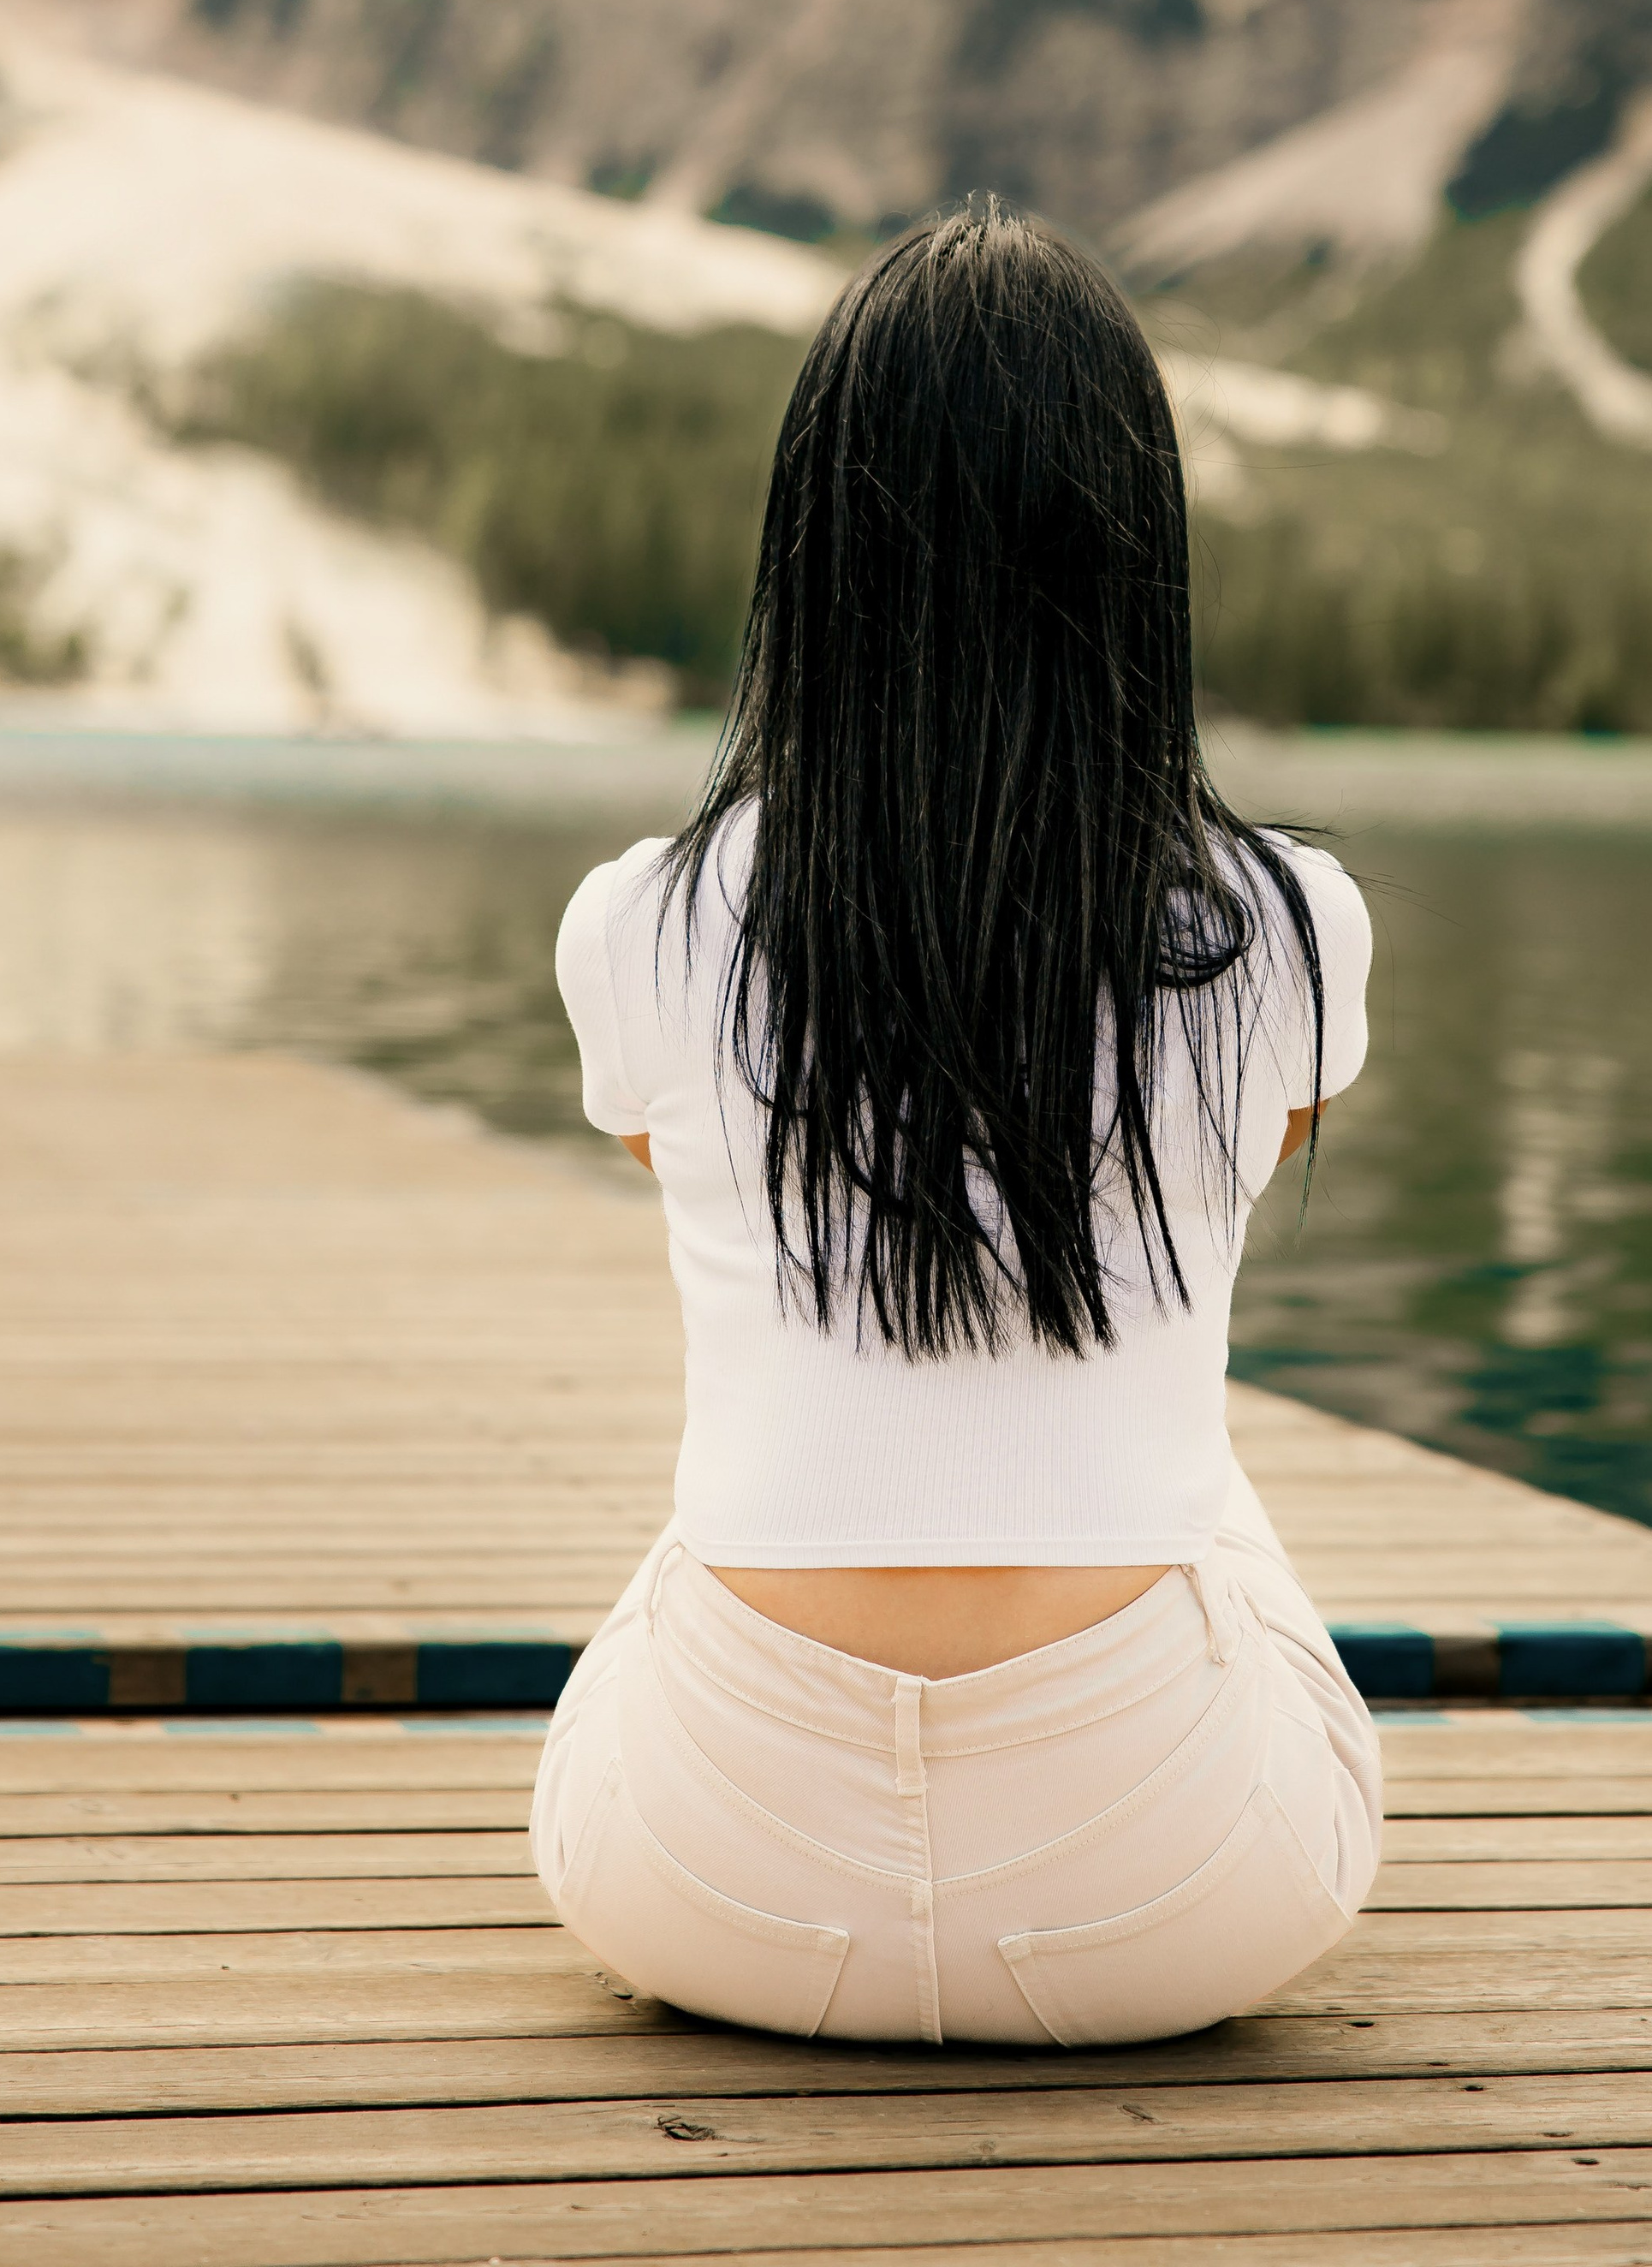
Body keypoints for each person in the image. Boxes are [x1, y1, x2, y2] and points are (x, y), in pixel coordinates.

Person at [532, 205, 1378, 2048]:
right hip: (1173, 1906)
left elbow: (671, 1167)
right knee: (1205, 1476)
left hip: (714, 1895)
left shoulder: (644, 921)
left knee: (699, 1526)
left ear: (814, 557)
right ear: (1136, 555)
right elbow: (1261, 1152)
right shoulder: (1284, 930)